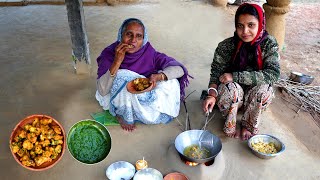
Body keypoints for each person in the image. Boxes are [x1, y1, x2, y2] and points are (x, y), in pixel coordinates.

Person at [96, 18, 190, 132]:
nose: (133, 40)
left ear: (144, 39)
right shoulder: (110, 53)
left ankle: (139, 111)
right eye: (129, 34)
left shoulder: (149, 53)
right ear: (121, 35)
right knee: (122, 75)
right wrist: (117, 61)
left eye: (139, 36)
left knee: (172, 82)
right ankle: (122, 114)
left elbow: (179, 69)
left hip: (143, 95)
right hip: (119, 96)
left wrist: (158, 76)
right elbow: (102, 90)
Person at [202, 3, 280, 140]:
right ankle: (230, 124)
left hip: (254, 97)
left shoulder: (268, 44)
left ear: (260, 24)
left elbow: (273, 74)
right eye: (240, 26)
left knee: (264, 89)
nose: (244, 31)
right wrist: (212, 95)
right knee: (230, 88)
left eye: (251, 25)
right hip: (232, 96)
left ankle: (248, 125)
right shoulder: (226, 46)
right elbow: (216, 73)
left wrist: (235, 76)